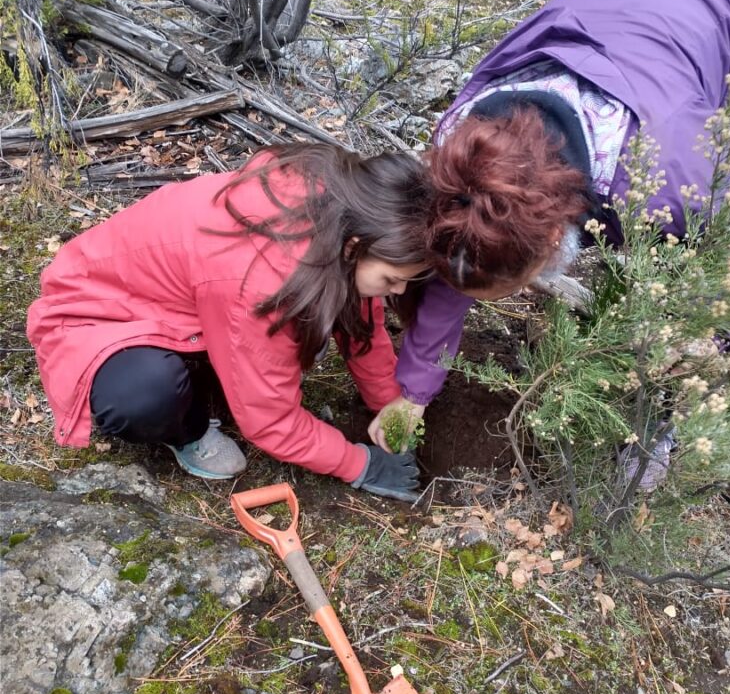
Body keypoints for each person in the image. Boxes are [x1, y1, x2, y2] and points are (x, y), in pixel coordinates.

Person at [368, 0, 730, 449]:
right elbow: (465, 256)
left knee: (691, 249)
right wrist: (413, 394)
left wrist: (712, 332)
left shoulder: (669, 173)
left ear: (556, 236)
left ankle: (656, 433)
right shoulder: (464, 150)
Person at [28, 143, 431, 501]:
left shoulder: (343, 215)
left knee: (294, 328)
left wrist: (388, 402)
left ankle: (205, 376)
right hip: (100, 314)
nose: (396, 292)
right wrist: (358, 464)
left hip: (195, 302)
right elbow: (270, 422)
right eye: (391, 279)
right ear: (354, 248)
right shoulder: (263, 279)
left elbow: (363, 324)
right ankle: (187, 429)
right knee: (146, 396)